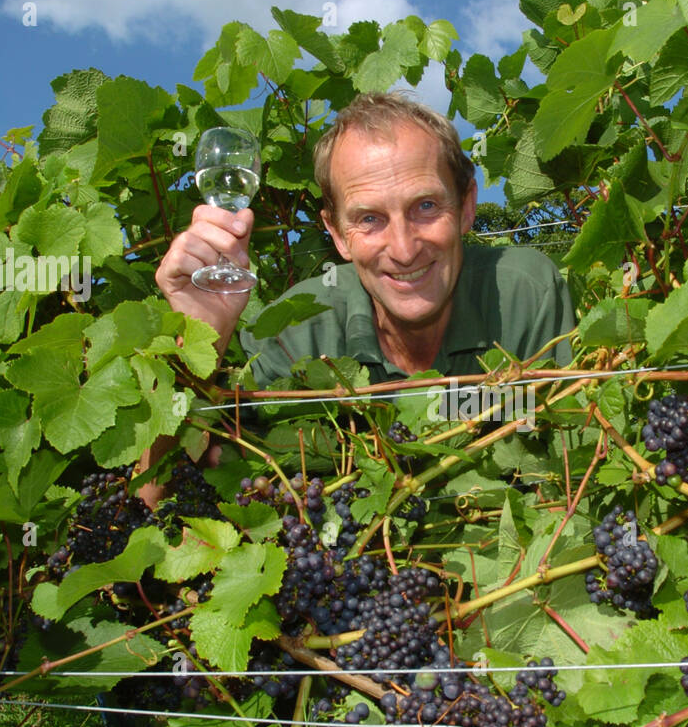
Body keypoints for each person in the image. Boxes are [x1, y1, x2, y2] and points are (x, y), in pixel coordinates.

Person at [141, 92, 575, 500]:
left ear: (465, 207)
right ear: (336, 235)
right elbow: (159, 505)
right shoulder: (294, 332)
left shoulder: (526, 295)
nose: (404, 250)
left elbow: (571, 472)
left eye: (425, 206)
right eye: (370, 218)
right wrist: (199, 341)